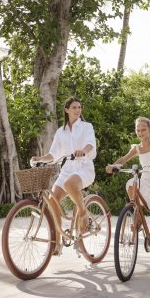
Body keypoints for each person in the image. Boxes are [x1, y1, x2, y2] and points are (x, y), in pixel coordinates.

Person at [105, 117, 150, 262]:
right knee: (131, 183)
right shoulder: (137, 148)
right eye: (138, 130)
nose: (140, 133)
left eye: (143, 130)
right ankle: (137, 214)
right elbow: (123, 159)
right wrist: (113, 166)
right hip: (145, 178)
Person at [29, 97, 97, 245]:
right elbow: (53, 155)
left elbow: (90, 144)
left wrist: (83, 151)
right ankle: (57, 243)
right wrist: (40, 158)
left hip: (84, 168)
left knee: (69, 184)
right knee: (52, 200)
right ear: (67, 110)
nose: (78, 110)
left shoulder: (86, 126)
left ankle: (83, 213)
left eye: (79, 107)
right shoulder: (61, 132)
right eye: (74, 107)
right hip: (67, 171)